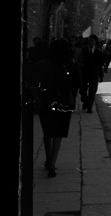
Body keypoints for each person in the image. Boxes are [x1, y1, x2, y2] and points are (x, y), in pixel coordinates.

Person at [33, 38, 80, 178]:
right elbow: (79, 83)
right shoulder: (73, 64)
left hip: (46, 101)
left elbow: (34, 83)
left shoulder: (41, 65)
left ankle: (48, 160)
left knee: (47, 131)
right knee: (58, 133)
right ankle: (52, 163)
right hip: (65, 101)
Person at [79, 34, 106, 114]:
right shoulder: (83, 50)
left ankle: (89, 107)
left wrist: (101, 76)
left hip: (94, 74)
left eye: (92, 41)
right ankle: (85, 100)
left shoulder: (99, 52)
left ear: (95, 42)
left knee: (92, 92)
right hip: (84, 74)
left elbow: (100, 65)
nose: (90, 42)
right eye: (89, 40)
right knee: (82, 91)